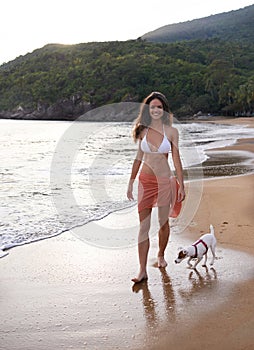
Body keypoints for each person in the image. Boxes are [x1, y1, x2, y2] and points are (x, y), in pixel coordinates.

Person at [127, 91, 185, 283]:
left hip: (163, 181)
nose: (156, 110)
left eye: (159, 106)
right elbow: (138, 158)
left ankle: (160, 254)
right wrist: (130, 182)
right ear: (148, 110)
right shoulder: (142, 130)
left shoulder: (171, 132)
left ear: (164, 109)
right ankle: (142, 270)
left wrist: (182, 185)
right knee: (143, 227)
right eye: (152, 107)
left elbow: (176, 160)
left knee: (162, 223)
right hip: (145, 181)